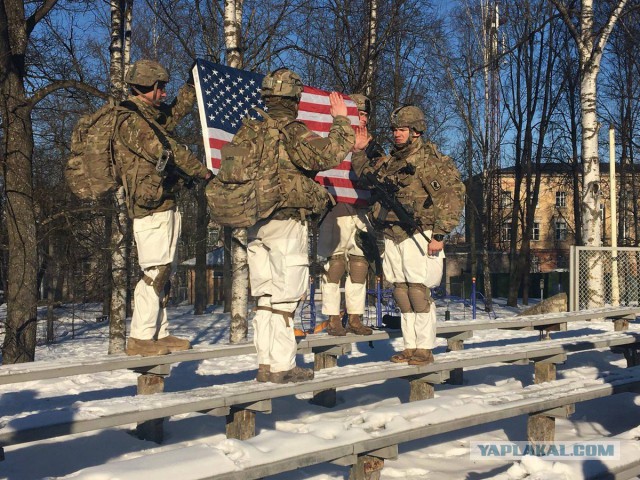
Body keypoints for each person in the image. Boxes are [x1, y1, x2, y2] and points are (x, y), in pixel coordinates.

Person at [245, 68, 355, 383]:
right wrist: (340, 120)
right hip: (286, 220)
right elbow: (330, 154)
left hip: (255, 224)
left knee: (264, 297)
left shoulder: (250, 132)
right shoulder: (291, 131)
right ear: (295, 99)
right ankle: (282, 367)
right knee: (285, 296)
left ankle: (266, 365)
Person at [112, 59, 212, 357]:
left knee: (164, 269)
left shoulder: (147, 115)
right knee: (154, 270)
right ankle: (141, 337)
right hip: (149, 206)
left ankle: (158, 332)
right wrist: (204, 172)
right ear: (149, 87)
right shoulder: (131, 120)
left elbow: (173, 115)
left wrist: (191, 89)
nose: (165, 92)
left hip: (162, 200)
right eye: (161, 87)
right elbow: (168, 149)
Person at [352, 105, 465, 365]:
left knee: (417, 291)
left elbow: (451, 197)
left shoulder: (428, 161)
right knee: (400, 292)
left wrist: (440, 233)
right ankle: (410, 346)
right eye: (394, 129)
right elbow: (366, 175)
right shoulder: (391, 161)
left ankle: (424, 348)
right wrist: (359, 150)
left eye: (402, 129)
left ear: (416, 131)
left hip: (419, 232)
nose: (397, 134)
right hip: (393, 234)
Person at [318, 93, 384, 336]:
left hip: (363, 208)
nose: (362, 118)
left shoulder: (372, 143)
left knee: (359, 265)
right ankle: (333, 317)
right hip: (336, 207)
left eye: (365, 114)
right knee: (334, 264)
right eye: (358, 112)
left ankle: (355, 317)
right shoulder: (333, 136)